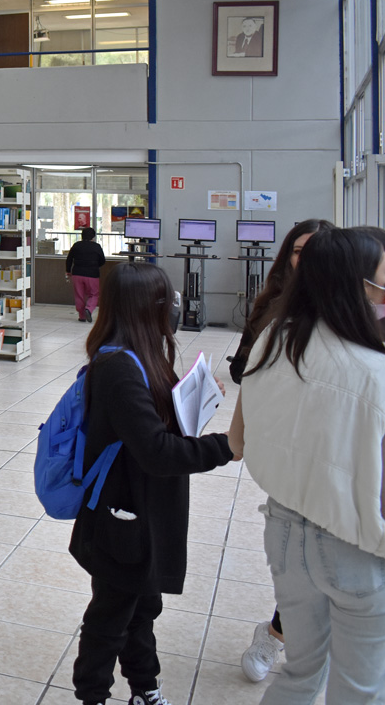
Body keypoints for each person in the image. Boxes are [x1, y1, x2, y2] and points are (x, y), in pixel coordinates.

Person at [230, 228, 385, 705]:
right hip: (358, 549)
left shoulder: (271, 343)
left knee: (300, 673)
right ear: (358, 285)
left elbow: (237, 439)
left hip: (285, 535)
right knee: (359, 691)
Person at [70, 262, 235, 705]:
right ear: (148, 307)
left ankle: (145, 688)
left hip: (143, 513)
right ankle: (92, 696)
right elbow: (158, 452)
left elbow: (154, 425)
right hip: (123, 519)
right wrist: (227, 447)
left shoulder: (143, 356)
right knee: (112, 615)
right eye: (169, 299)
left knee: (142, 608)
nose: (176, 307)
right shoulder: (119, 368)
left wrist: (195, 395)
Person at [229, 218, 334, 384]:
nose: (304, 260)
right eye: (298, 251)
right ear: (288, 255)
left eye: (314, 252)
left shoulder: (338, 311)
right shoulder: (270, 301)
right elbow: (238, 368)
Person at [66, 227, 106, 323]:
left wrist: (68, 270)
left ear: (82, 235)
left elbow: (69, 259)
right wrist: (96, 266)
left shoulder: (76, 245)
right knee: (94, 294)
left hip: (77, 274)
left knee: (79, 295)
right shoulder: (96, 246)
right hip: (92, 274)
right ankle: (89, 309)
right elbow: (102, 260)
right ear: (93, 237)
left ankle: (82, 316)